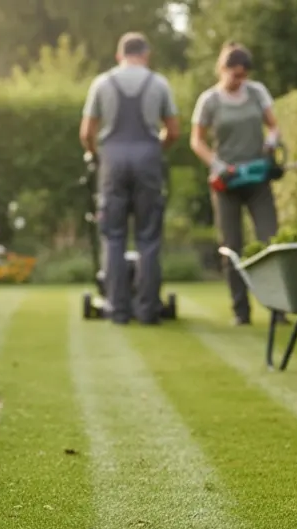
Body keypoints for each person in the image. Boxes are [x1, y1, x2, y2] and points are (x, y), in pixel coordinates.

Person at [79, 31, 180, 325]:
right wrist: (153, 150)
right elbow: (173, 131)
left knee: (113, 237)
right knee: (148, 237)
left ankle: (118, 309)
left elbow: (86, 133)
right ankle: (148, 310)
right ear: (146, 54)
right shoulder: (159, 83)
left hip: (112, 162)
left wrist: (97, 156)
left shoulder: (102, 83)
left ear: (118, 55)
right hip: (148, 160)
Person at [191, 42, 281, 326]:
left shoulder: (257, 93)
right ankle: (241, 312)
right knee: (231, 246)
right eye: (234, 75)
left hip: (256, 180)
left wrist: (271, 143)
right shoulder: (209, 100)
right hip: (226, 182)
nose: (238, 80)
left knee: (270, 241)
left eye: (243, 75)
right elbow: (197, 141)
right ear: (223, 69)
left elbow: (274, 126)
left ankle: (279, 309)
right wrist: (218, 166)